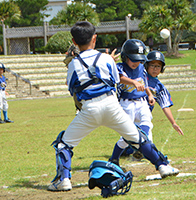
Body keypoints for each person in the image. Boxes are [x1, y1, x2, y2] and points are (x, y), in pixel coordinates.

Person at [48, 22, 179, 192]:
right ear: (94, 38)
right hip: (112, 106)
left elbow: (73, 89)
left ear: (74, 40)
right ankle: (163, 166)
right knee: (138, 138)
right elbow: (115, 81)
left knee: (63, 144)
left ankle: (64, 179)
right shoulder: (105, 58)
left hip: (89, 109)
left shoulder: (73, 64)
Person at [108, 39, 179, 176]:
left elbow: (144, 83)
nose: (136, 62)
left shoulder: (141, 68)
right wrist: (133, 82)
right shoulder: (120, 67)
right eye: (133, 59)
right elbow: (119, 77)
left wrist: (149, 95)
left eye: (139, 60)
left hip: (141, 102)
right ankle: (114, 159)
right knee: (127, 137)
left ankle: (157, 161)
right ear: (125, 57)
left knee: (147, 125)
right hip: (126, 103)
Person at [145, 50, 184, 136]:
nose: (155, 68)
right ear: (146, 65)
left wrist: (173, 123)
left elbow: (165, 106)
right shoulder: (140, 76)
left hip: (145, 117)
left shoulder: (160, 87)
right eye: (152, 65)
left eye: (158, 66)